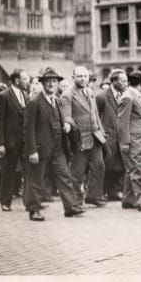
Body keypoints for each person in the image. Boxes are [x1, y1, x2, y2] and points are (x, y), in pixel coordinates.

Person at [23, 68, 83, 221]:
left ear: (57, 84)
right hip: (40, 149)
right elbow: (28, 129)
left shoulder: (56, 100)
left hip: (58, 149)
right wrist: (32, 151)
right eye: (48, 81)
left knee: (64, 176)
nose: (51, 84)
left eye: (54, 81)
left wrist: (65, 127)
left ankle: (71, 207)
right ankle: (34, 209)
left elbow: (60, 120)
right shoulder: (34, 102)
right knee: (36, 179)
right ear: (42, 83)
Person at [60, 66, 107, 208]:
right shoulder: (67, 95)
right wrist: (68, 126)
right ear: (73, 77)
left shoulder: (89, 91)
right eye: (80, 76)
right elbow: (66, 116)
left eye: (85, 76)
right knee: (77, 173)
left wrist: (101, 130)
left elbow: (95, 114)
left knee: (99, 167)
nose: (83, 79)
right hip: (79, 140)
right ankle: (76, 201)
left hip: (95, 137)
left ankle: (94, 196)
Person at [0, 69, 30, 211]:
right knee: (9, 171)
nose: (27, 81)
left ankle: (29, 201)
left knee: (29, 171)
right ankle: (5, 201)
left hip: (25, 141)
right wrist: (0, 143)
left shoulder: (25, 95)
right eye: (25, 78)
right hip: (10, 142)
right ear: (17, 80)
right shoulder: (4, 96)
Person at [117, 70, 141, 212]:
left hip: (138, 139)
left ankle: (128, 198)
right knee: (137, 169)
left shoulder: (134, 95)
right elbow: (122, 122)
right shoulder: (128, 97)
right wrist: (124, 142)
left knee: (131, 169)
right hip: (133, 140)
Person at [96, 70, 126, 201]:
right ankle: (103, 191)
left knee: (119, 166)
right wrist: (102, 135)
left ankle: (114, 190)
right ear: (114, 81)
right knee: (107, 166)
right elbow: (96, 117)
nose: (126, 83)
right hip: (108, 137)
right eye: (123, 81)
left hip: (121, 136)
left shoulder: (125, 95)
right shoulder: (102, 97)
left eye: (126, 81)